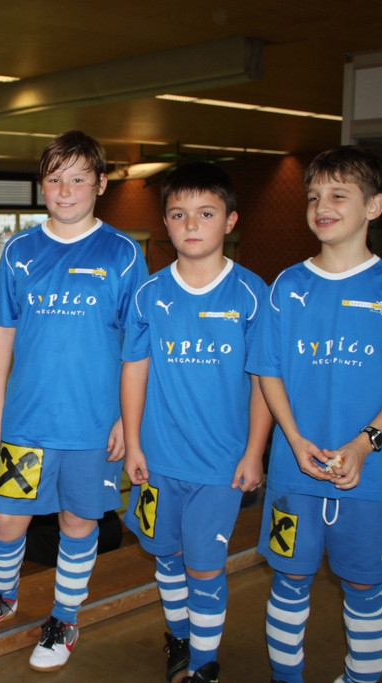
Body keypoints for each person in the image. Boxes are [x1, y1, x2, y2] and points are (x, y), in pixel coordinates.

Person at [247, 146, 382, 683]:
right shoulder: (287, 286)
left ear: (374, 206)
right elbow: (268, 373)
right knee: (289, 583)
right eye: (313, 197)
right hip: (294, 476)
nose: (321, 207)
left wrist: (363, 444)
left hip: (370, 479)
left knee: (363, 587)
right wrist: (292, 439)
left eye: (338, 195)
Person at [0, 130, 146, 671]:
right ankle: (2, 596)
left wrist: (126, 421)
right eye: (55, 179)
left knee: (78, 523)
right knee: (7, 519)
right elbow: (2, 333)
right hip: (29, 423)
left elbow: (137, 349)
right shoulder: (20, 251)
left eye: (78, 179)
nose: (65, 191)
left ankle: (64, 618)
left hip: (93, 426)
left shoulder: (123, 254)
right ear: (42, 185)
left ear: (101, 184)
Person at [120, 162, 272, 683]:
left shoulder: (252, 293)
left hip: (220, 465)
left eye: (206, 213)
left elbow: (264, 382)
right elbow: (134, 371)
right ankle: (181, 641)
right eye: (179, 213)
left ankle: (205, 665)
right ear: (165, 222)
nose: (191, 224)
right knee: (166, 555)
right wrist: (134, 443)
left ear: (230, 220)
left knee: (204, 565)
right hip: (160, 460)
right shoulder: (149, 294)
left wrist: (254, 452)